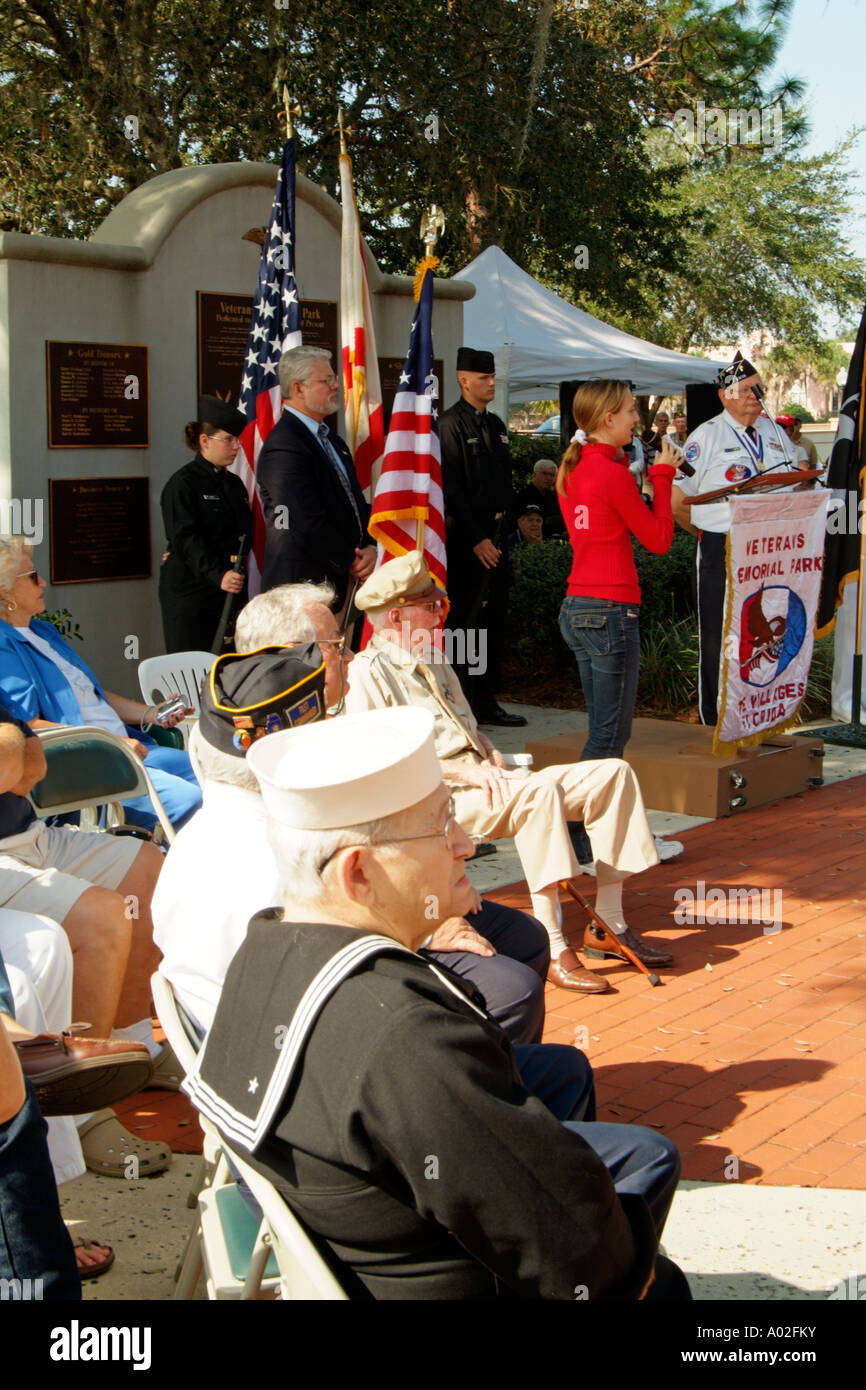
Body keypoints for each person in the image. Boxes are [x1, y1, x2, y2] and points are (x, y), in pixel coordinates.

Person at [184, 709, 688, 1301]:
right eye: (439, 826)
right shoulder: (406, 1035)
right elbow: (573, 1250)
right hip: (436, 1275)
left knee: (564, 1078)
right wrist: (626, 1270)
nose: (466, 845)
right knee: (656, 1245)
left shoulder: (264, 944)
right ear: (359, 873)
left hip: (351, 1221)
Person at [155, 585, 552, 1041]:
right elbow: (332, 897)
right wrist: (425, 920)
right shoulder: (274, 737)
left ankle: (488, 1077)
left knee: (523, 938)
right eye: (335, 646)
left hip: (352, 919)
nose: (347, 656)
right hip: (322, 981)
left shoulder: (279, 712)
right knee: (511, 989)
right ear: (294, 653)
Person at [344, 552, 674, 992]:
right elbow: (380, 760)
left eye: (439, 602)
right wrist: (467, 773)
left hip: (486, 784)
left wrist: (491, 756)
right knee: (538, 794)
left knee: (612, 774)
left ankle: (607, 925)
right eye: (431, 606)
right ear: (398, 615)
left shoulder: (435, 658)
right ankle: (554, 947)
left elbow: (471, 729)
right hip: (439, 800)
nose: (441, 612)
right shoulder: (368, 672)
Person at [0, 704, 175, 1177]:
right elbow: (10, 761)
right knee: (101, 915)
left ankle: (136, 1043)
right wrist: (16, 752)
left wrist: (17, 753)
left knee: (143, 866)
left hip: (30, 835)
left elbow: (32, 767)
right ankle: (85, 1111)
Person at [556, 381, 683, 869]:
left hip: (580, 607)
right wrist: (664, 478)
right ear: (607, 418)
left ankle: (598, 834)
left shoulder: (579, 469)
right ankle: (579, 836)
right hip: (609, 610)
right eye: (631, 411)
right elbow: (657, 540)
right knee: (609, 736)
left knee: (604, 734)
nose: (638, 419)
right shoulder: (609, 475)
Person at [0, 536, 200, 833]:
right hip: (90, 764)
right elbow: (27, 724)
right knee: (192, 800)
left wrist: (152, 712)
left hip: (130, 748)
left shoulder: (43, 631)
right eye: (31, 577)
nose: (42, 582)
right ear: (5, 592)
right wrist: (107, 743)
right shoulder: (4, 645)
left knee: (216, 777)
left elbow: (91, 696)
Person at [671, 354, 798, 724]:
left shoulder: (775, 434)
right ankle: (715, 718)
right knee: (719, 634)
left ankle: (757, 712)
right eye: (744, 390)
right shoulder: (706, 437)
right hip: (722, 545)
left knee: (764, 633)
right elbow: (679, 501)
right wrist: (708, 535)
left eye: (757, 389)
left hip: (770, 549)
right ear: (724, 395)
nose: (753, 396)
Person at [439, 347, 526, 727]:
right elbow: (452, 490)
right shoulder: (449, 426)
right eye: (483, 378)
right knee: (465, 623)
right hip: (467, 543)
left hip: (497, 538)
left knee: (492, 622)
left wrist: (509, 529)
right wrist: (477, 539)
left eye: (492, 378)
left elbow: (503, 486)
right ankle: (462, 699)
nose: (491, 384)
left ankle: (487, 700)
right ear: (463, 381)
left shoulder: (496, 427)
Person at [257, 346, 375, 609]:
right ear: (298, 389)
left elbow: (353, 505)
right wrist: (351, 560)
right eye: (327, 380)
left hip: (341, 583)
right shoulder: (284, 445)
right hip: (305, 590)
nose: (336, 386)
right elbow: (302, 519)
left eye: (334, 379)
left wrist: (370, 545)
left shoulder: (333, 441)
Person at [159, 395, 253, 653]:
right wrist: (217, 574)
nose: (236, 447)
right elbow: (185, 538)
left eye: (237, 440)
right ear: (204, 440)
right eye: (228, 440)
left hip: (230, 588)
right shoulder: (183, 484)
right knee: (192, 666)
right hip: (194, 593)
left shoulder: (233, 484)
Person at [509, 459, 567, 539]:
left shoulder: (554, 498)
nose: (548, 478)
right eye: (544, 474)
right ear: (534, 474)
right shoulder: (522, 497)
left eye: (552, 475)